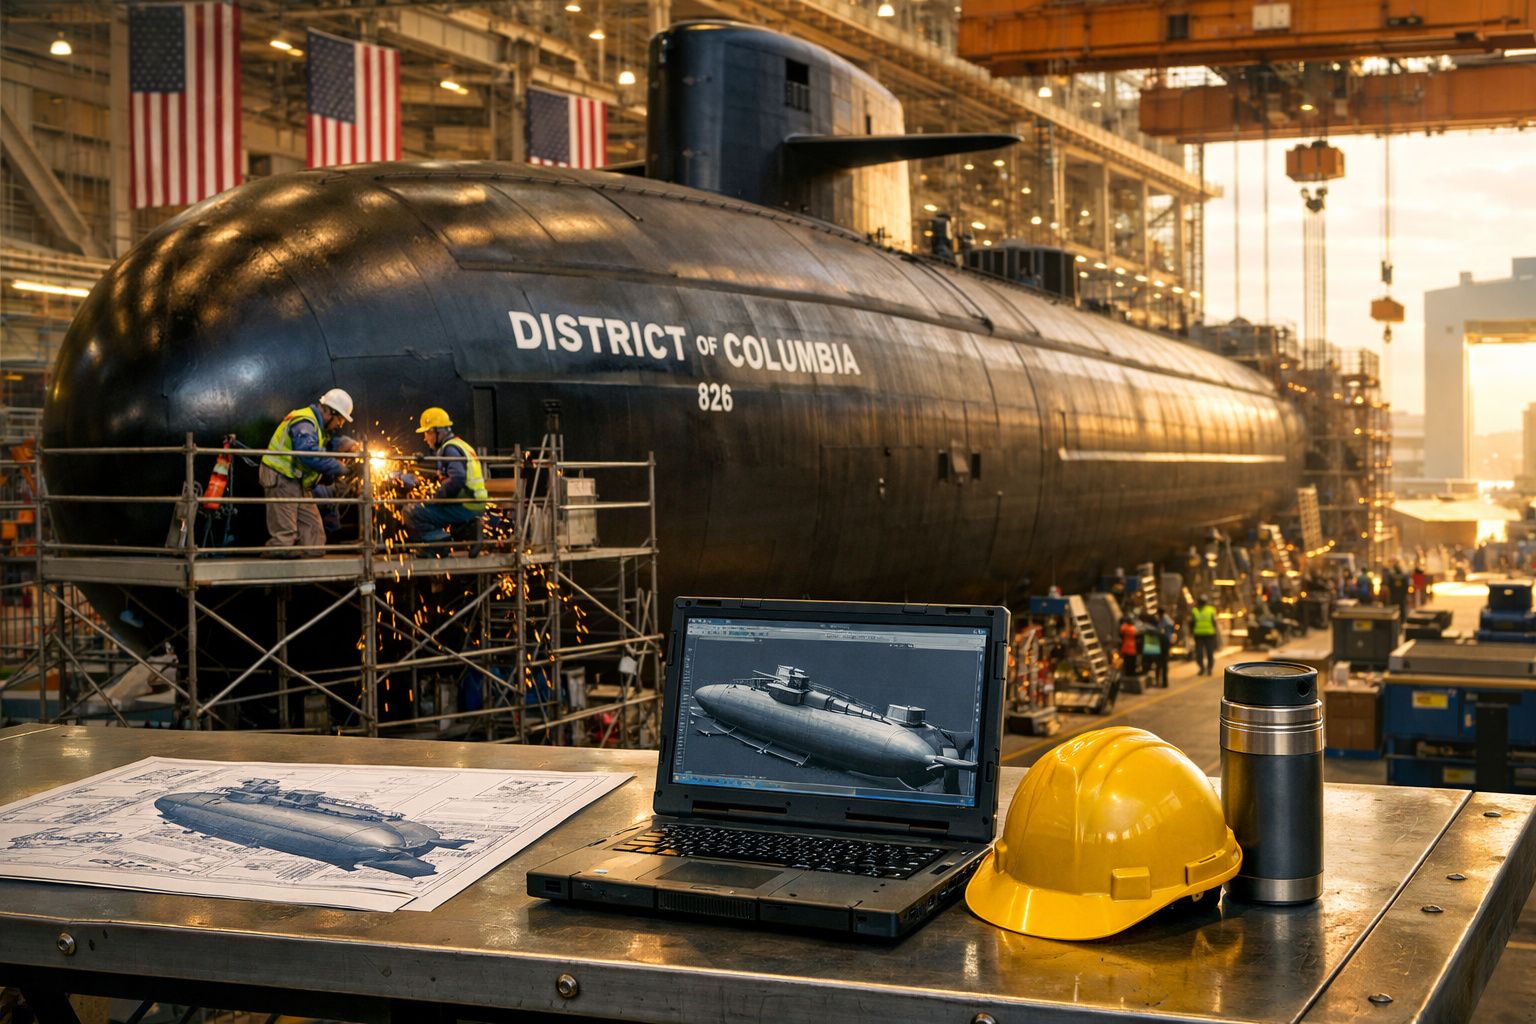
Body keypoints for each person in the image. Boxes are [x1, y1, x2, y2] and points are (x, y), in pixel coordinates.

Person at [260, 388, 356, 555]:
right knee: (285, 539)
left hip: (297, 481)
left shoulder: (316, 426)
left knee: (315, 541)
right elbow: (308, 455)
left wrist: (350, 447)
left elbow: (323, 446)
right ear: (329, 412)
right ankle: (274, 570)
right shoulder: (304, 421)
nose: (338, 426)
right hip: (281, 476)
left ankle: (306, 572)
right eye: (339, 421)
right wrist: (342, 468)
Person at [403, 407, 489, 543]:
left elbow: (458, 479)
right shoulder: (459, 444)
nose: (425, 438)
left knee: (411, 512)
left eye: (426, 433)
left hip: (465, 506)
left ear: (435, 432)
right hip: (474, 504)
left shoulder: (450, 449)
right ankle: (467, 530)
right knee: (426, 508)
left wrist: (437, 498)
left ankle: (439, 546)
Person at [1190, 594, 1218, 676]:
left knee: (1206, 652)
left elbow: (1191, 623)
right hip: (1202, 635)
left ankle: (1207, 669)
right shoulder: (1196, 610)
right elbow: (1214, 623)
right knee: (1202, 653)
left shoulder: (1209, 610)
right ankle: (1204, 668)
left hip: (1206, 635)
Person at [1141, 611, 1169, 688]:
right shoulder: (1159, 630)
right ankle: (1164, 682)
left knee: (1158, 664)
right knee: (1162, 665)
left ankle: (1158, 681)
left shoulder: (1148, 631)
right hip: (1162, 646)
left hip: (1156, 647)